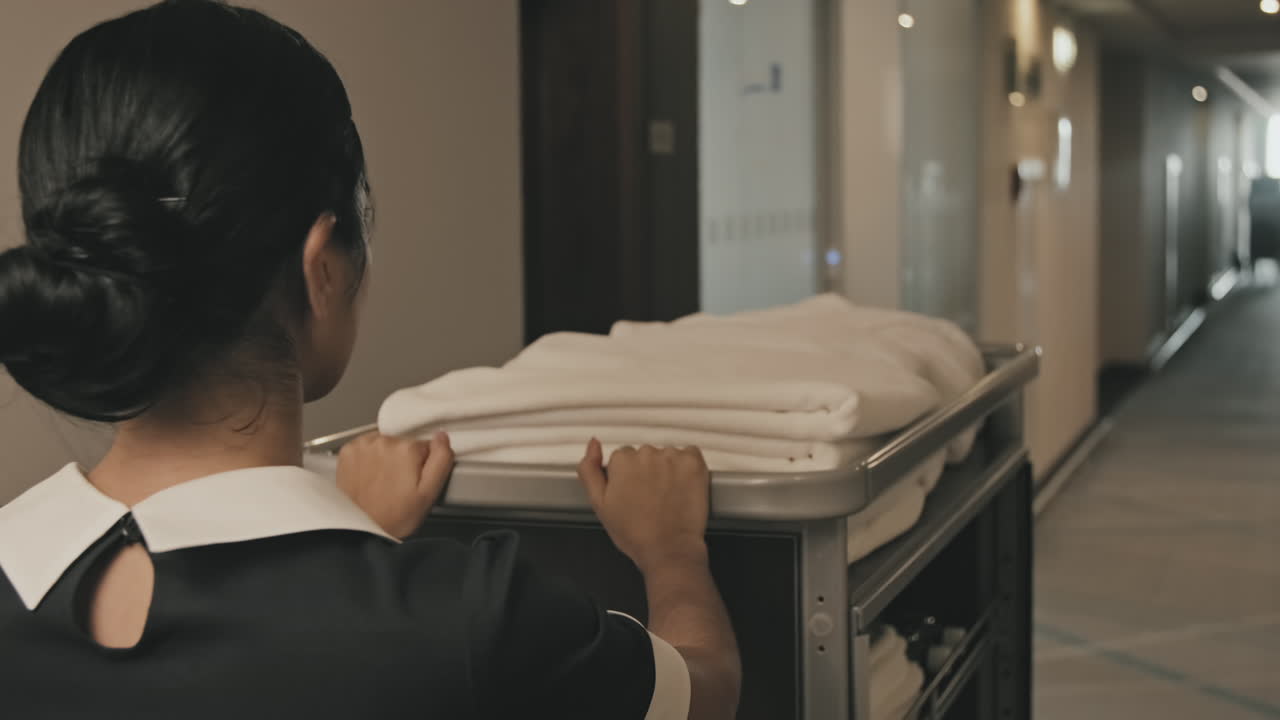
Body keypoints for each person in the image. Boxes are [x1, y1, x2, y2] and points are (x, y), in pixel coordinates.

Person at [0, 2, 740, 718]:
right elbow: (705, 691)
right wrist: (672, 549)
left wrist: (356, 535)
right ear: (322, 266)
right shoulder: (471, 620)